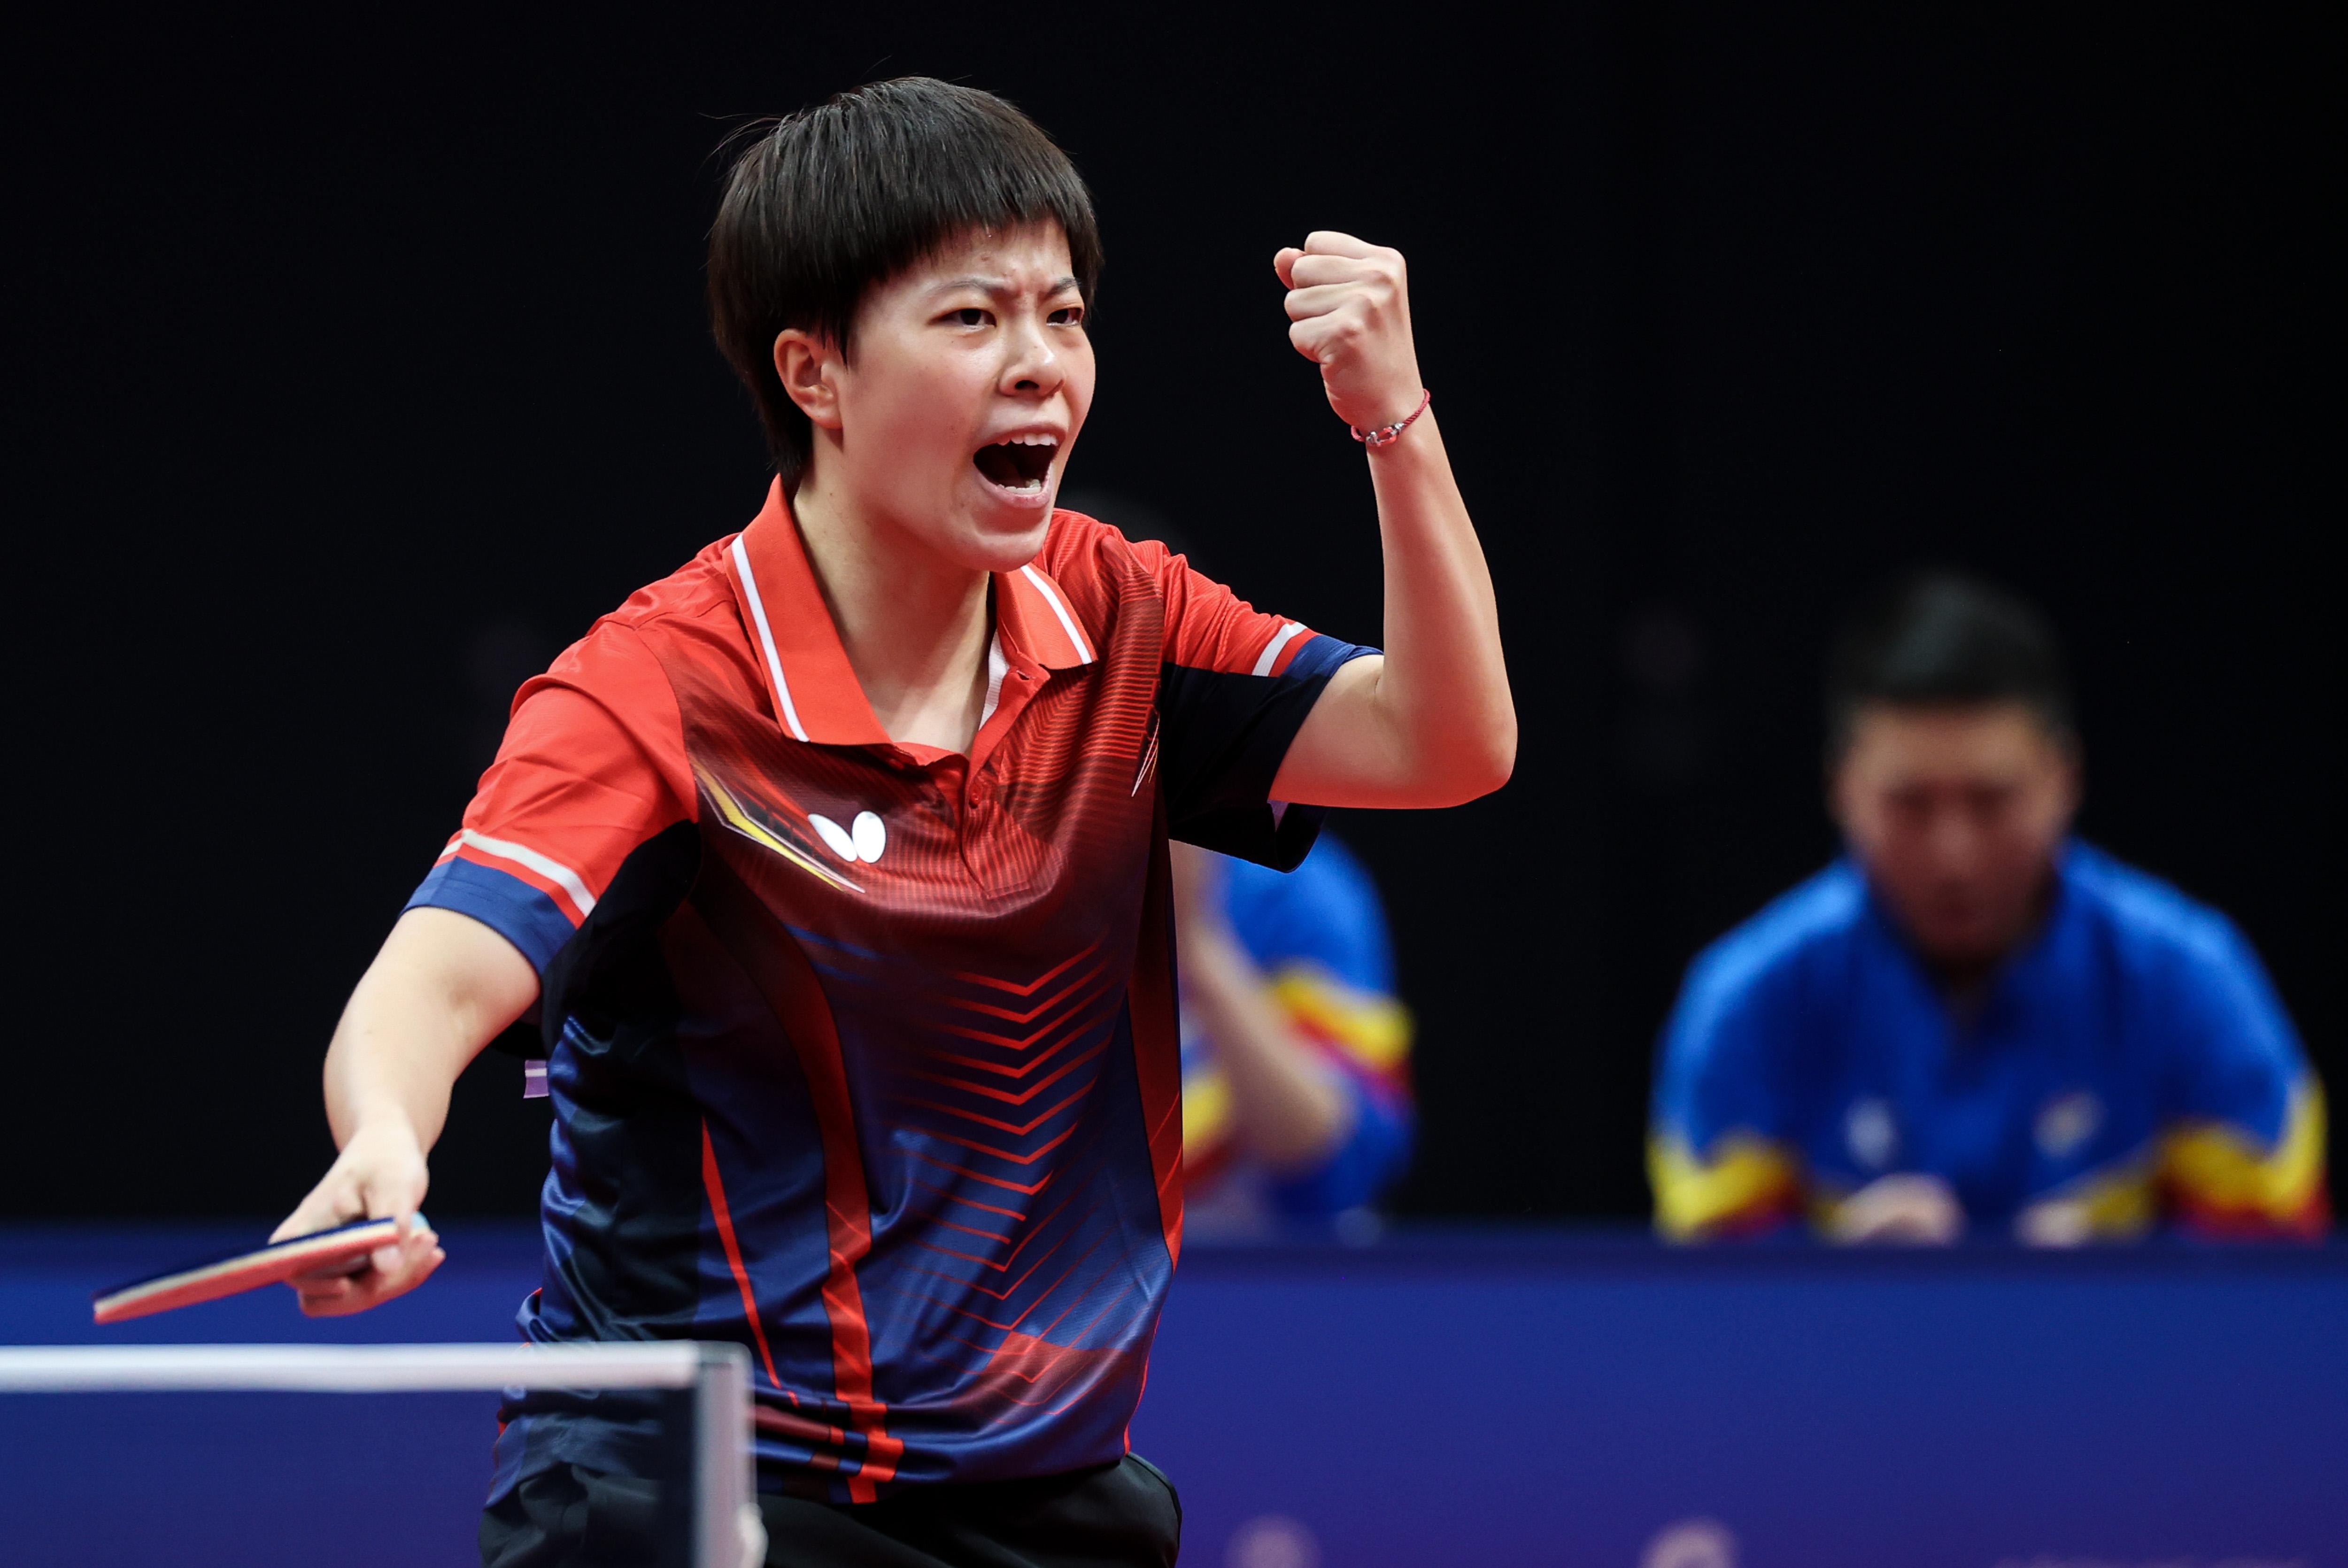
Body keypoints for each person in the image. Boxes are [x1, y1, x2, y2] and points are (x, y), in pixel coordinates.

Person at [268, 78, 1514, 1567]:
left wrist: (1393, 422)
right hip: (705, 1492)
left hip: (1048, 1493)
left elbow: (1448, 744)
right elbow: (438, 972)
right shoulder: (663, 687)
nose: (1039, 365)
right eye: (973, 318)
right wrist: (381, 1139)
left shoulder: (1117, 614)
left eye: (1062, 315)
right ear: (816, 373)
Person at [1648, 572, 2325, 1245]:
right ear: (1842, 789)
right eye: (1909, 803)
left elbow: (2274, 1274)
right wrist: (1842, 1276)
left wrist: (2120, 1282)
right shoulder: (1744, 1001)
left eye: (1991, 800)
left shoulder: (2190, 980)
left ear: (2064, 778)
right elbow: (1708, 1290)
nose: (1955, 856)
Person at [1170, 836, 1414, 1238]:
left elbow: (1339, 1164)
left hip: (1264, 1253)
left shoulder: (1295, 883)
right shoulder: (1057, 881)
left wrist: (1194, 939)